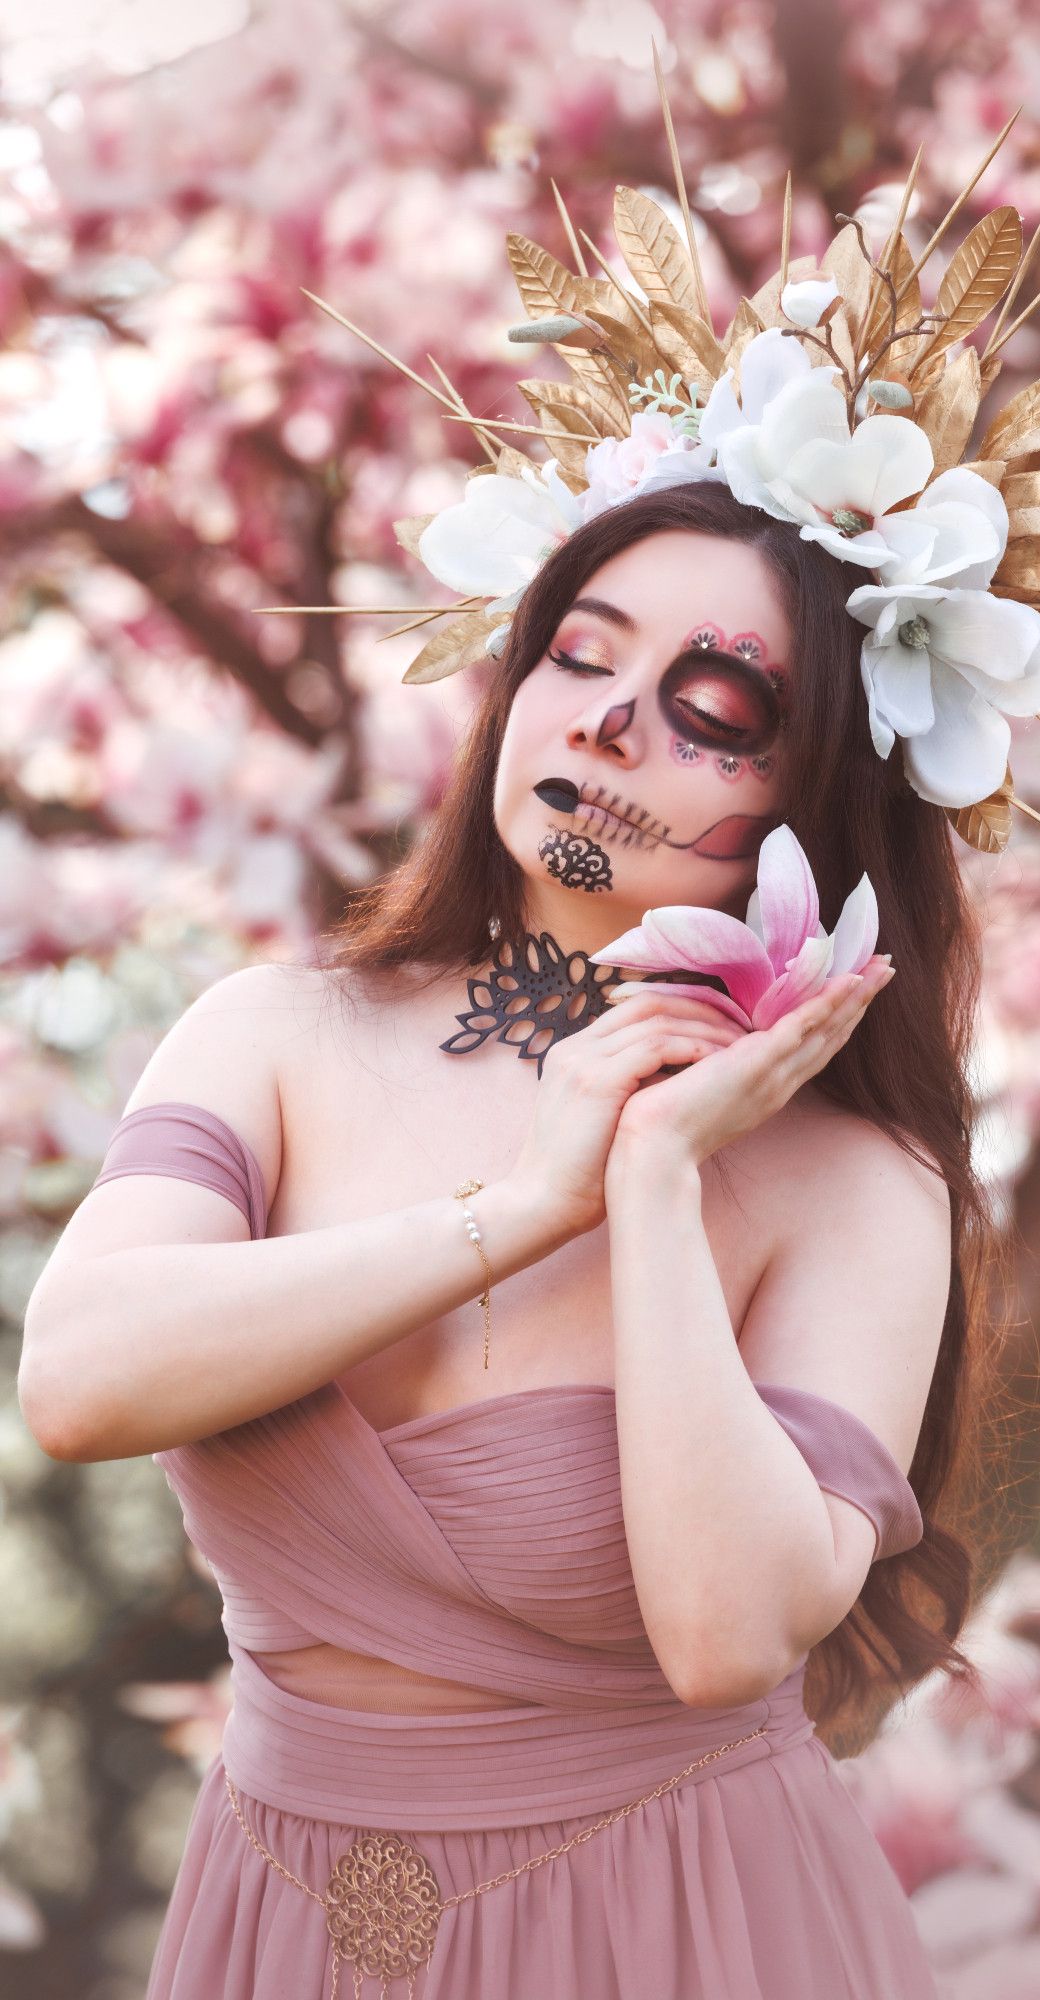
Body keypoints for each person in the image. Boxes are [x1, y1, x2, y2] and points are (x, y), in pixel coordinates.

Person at [20, 479, 983, 1999]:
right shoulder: (274, 1037)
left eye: (713, 705)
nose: (610, 724)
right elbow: (78, 1383)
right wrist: (527, 1206)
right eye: (580, 655)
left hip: (680, 1924)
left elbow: (727, 1637)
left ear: (826, 786)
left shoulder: (855, 1184)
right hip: (281, 1917)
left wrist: (656, 1180)